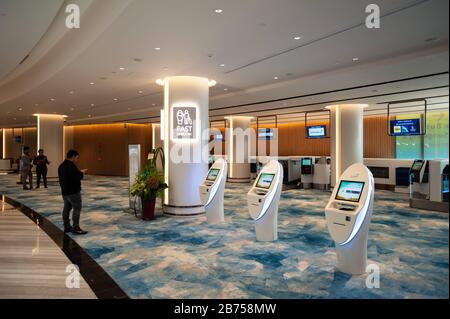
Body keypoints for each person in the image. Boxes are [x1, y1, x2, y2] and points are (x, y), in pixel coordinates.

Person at [58, 150, 88, 235]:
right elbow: (75, 178)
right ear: (73, 156)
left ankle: (67, 227)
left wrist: (79, 172)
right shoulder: (71, 166)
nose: (77, 160)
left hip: (65, 192)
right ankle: (76, 227)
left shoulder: (61, 166)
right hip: (73, 192)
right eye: (77, 158)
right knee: (77, 209)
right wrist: (81, 173)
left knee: (66, 209)